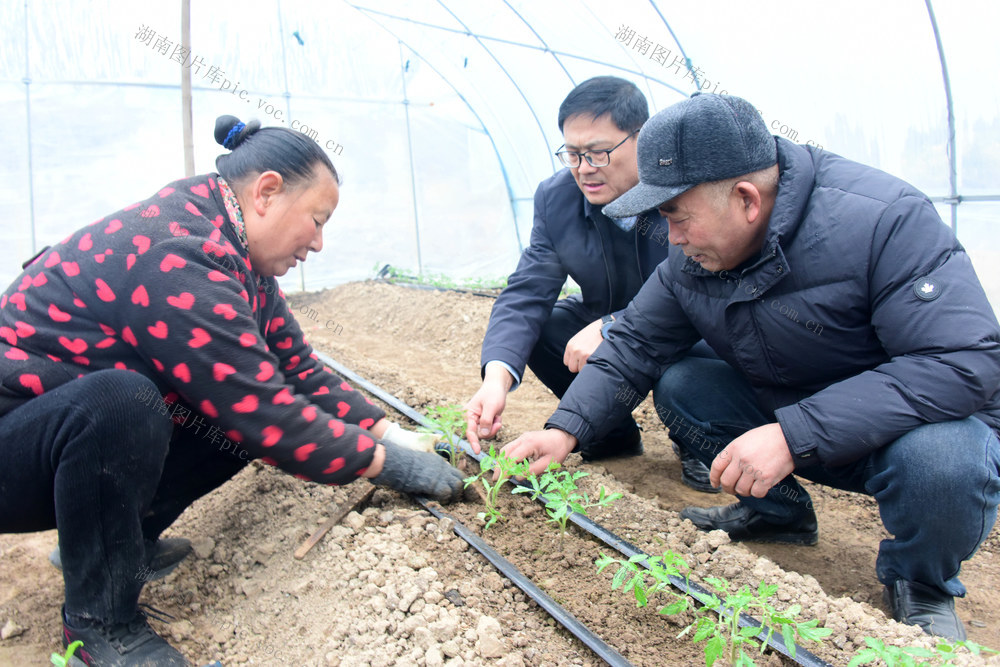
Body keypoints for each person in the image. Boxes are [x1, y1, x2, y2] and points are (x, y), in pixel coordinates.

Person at [500, 93, 1000, 642]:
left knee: (945, 461)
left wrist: (794, 433)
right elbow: (636, 342)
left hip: (903, 430)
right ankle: (778, 515)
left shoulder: (884, 220)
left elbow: (962, 361)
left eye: (677, 216)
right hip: (796, 410)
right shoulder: (693, 256)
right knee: (685, 382)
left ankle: (921, 583)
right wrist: (564, 431)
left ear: (746, 199)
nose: (671, 236)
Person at [0, 115, 464, 666]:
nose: (318, 242)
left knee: (206, 415)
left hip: (54, 449)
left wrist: (394, 433)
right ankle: (102, 629)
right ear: (266, 192)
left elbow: (296, 369)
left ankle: (120, 542)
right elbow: (264, 410)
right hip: (15, 452)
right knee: (125, 402)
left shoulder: (234, 255)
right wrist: (387, 464)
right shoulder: (175, 252)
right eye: (316, 220)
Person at [465, 76, 715, 492]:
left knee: (682, 376)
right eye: (573, 154)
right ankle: (608, 429)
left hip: (687, 331)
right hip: (613, 326)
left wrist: (612, 326)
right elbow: (528, 291)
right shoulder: (556, 198)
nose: (584, 169)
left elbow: (701, 293)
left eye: (598, 154)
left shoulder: (683, 191)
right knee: (545, 326)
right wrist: (495, 380)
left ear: (642, 140)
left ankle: (697, 440)